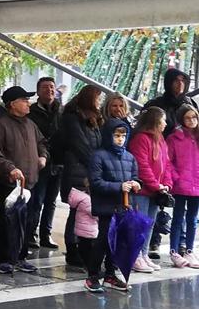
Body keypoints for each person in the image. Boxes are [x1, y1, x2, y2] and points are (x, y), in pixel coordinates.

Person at [0, 86, 48, 274]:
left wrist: (43, 156)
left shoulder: (31, 124)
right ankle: (3, 259)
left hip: (29, 184)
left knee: (27, 222)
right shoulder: (0, 125)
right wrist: (10, 168)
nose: (28, 103)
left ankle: (21, 257)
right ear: (12, 104)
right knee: (4, 224)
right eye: (24, 100)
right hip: (6, 185)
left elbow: (42, 143)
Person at [87, 119, 140, 292]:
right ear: (108, 136)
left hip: (124, 206)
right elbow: (96, 182)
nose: (120, 139)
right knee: (103, 241)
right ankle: (92, 275)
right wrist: (119, 186)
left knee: (117, 242)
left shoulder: (129, 157)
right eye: (116, 135)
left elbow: (135, 176)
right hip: (106, 206)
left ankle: (110, 274)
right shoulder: (98, 156)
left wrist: (136, 184)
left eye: (123, 136)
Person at [53, 86, 103, 265]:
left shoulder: (92, 118)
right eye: (98, 98)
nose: (99, 102)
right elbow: (80, 144)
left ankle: (83, 248)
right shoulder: (73, 117)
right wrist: (96, 165)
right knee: (76, 210)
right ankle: (72, 249)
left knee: (85, 212)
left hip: (87, 170)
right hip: (77, 171)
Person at [128, 106, 173, 272]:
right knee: (139, 224)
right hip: (142, 191)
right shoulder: (141, 138)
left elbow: (166, 164)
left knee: (149, 225)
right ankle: (135, 256)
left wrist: (166, 184)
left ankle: (144, 254)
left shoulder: (160, 139)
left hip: (155, 192)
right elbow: (142, 166)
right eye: (163, 120)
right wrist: (156, 184)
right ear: (155, 121)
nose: (165, 124)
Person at [27, 77, 63, 249]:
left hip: (58, 161)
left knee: (51, 201)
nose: (49, 90)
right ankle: (31, 234)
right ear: (38, 91)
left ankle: (46, 234)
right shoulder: (31, 113)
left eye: (51, 87)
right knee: (37, 200)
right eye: (45, 87)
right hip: (39, 162)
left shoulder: (61, 111)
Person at [166, 104, 199, 268]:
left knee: (192, 219)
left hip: (197, 185)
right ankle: (174, 251)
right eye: (188, 117)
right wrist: (176, 178)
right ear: (181, 119)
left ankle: (190, 250)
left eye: (194, 117)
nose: (192, 120)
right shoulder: (174, 138)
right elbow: (168, 161)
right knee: (178, 218)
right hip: (180, 185)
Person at [143, 68, 197, 136]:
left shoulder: (190, 103)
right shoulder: (156, 104)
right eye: (176, 80)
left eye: (183, 80)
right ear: (169, 82)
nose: (180, 83)